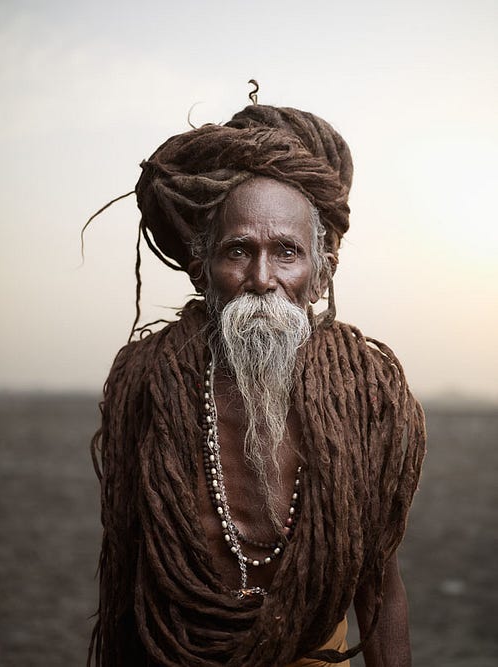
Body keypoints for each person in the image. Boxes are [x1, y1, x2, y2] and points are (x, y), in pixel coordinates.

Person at [88, 100, 426, 667]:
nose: (262, 278)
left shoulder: (369, 395)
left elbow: (379, 583)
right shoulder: (146, 382)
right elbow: (126, 571)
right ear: (201, 268)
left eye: (287, 253)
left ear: (322, 271)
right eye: (238, 251)